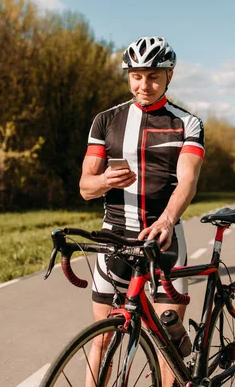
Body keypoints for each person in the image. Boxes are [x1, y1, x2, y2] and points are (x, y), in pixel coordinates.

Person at [79, 36, 204, 386]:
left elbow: (187, 183)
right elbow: (85, 188)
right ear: (128, 76)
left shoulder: (187, 123)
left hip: (163, 241)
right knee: (102, 339)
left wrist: (167, 219)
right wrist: (105, 180)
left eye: (153, 76)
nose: (143, 84)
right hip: (114, 240)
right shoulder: (106, 121)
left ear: (169, 76)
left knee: (169, 345)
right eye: (136, 75)